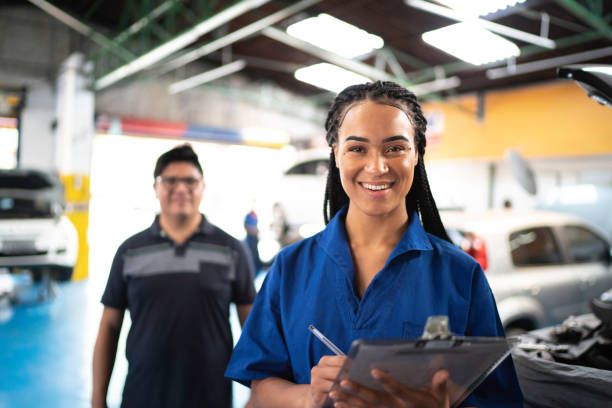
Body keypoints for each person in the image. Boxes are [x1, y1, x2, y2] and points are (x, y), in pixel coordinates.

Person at [225, 81, 523, 407]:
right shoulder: (291, 268)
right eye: (357, 148)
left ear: (417, 154)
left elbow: (501, 401)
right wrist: (309, 396)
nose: (377, 166)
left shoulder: (461, 275)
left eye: (395, 148)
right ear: (336, 154)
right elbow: (258, 395)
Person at [92, 144, 256, 408]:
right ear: (156, 188)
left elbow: (253, 329)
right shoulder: (130, 251)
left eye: (190, 181)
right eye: (170, 181)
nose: (181, 189)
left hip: (210, 396)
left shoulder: (232, 250)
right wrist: (97, 397)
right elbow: (109, 327)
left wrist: (256, 395)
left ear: (203, 187)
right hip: (142, 394)